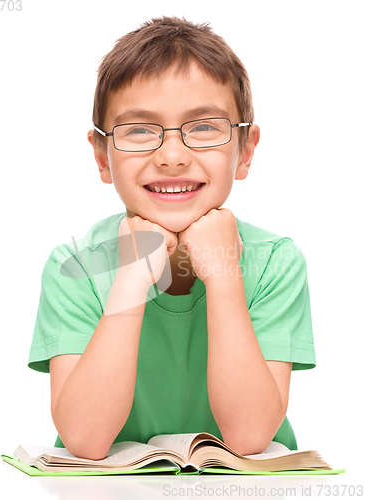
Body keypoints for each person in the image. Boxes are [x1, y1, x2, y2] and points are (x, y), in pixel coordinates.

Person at [28, 16, 315, 460]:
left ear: (247, 150)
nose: (173, 156)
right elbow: (84, 441)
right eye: (139, 130)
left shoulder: (276, 261)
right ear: (102, 157)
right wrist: (130, 280)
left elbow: (250, 437)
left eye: (203, 127)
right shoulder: (78, 266)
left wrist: (223, 279)